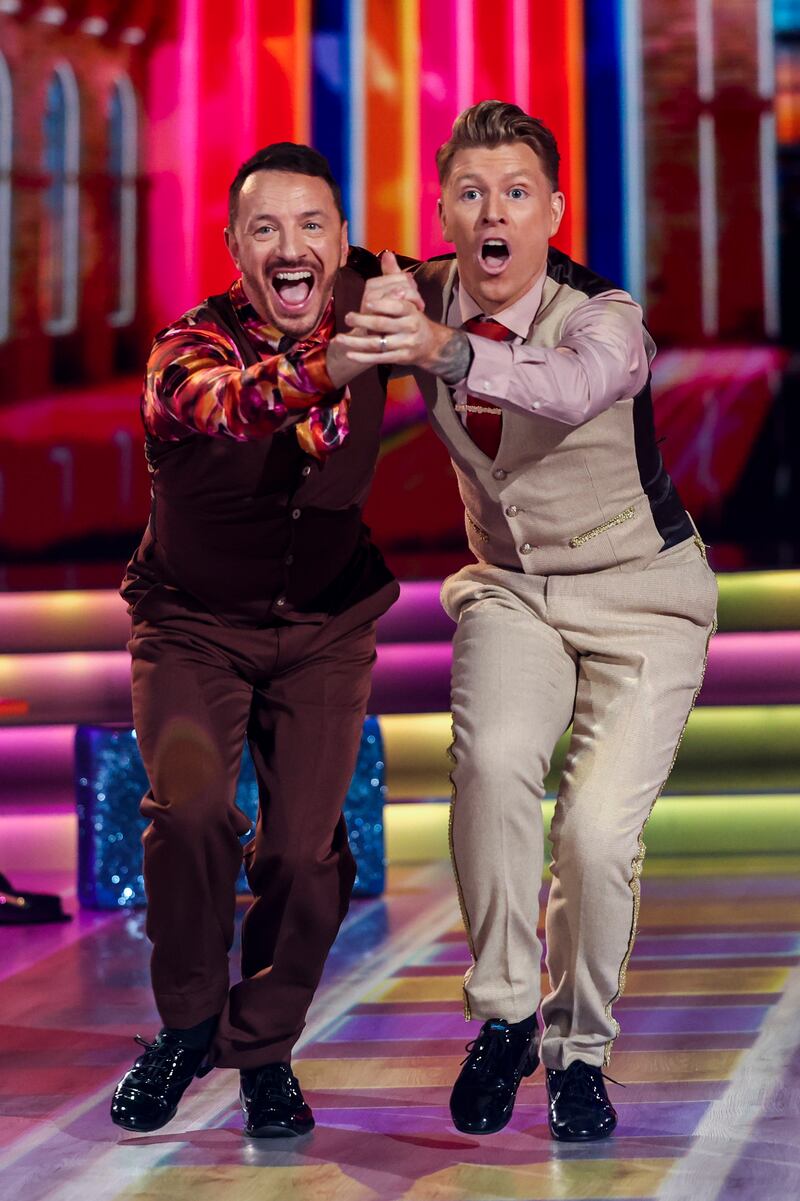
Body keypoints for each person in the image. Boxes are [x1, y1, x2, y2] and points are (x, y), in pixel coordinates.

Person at [336, 100, 718, 1141]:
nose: (490, 212)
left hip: (641, 594)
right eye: (470, 193)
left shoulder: (604, 317)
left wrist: (441, 350)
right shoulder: (413, 292)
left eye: (514, 192)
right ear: (446, 211)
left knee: (595, 834)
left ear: (552, 208)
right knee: (494, 760)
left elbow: (565, 387)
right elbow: (317, 288)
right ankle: (503, 1013)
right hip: (509, 587)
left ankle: (578, 1050)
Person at [110, 143, 398, 1139]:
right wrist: (336, 361)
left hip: (325, 625)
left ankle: (262, 1044)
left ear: (340, 241)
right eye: (264, 228)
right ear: (233, 248)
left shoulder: (377, 290)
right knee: (191, 815)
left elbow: (484, 282)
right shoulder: (184, 352)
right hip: (193, 625)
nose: (290, 245)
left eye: (311, 224)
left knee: (304, 855)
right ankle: (188, 1027)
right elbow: (235, 408)